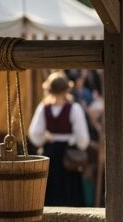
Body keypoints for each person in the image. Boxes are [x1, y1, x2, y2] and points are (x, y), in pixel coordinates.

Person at [28, 71, 90, 207]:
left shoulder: (44, 107)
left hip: (50, 154)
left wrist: (47, 137)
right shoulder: (74, 108)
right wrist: (72, 140)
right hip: (68, 156)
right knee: (69, 194)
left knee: (50, 193)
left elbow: (35, 135)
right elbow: (83, 140)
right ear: (67, 89)